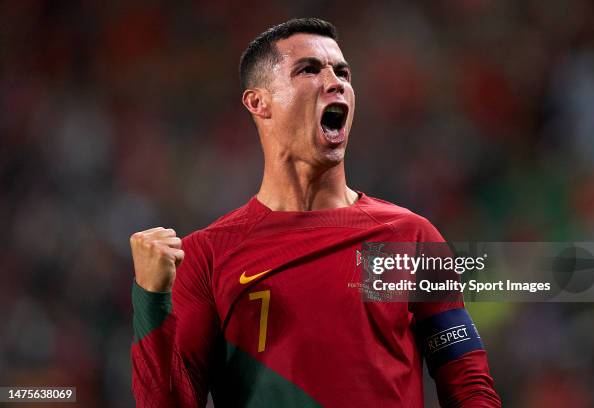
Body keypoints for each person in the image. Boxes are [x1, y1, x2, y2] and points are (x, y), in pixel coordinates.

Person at [130, 18, 501, 407]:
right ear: (259, 102)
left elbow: (469, 386)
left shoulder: (407, 239)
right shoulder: (207, 256)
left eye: (342, 72)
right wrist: (151, 299)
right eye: (309, 69)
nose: (335, 81)